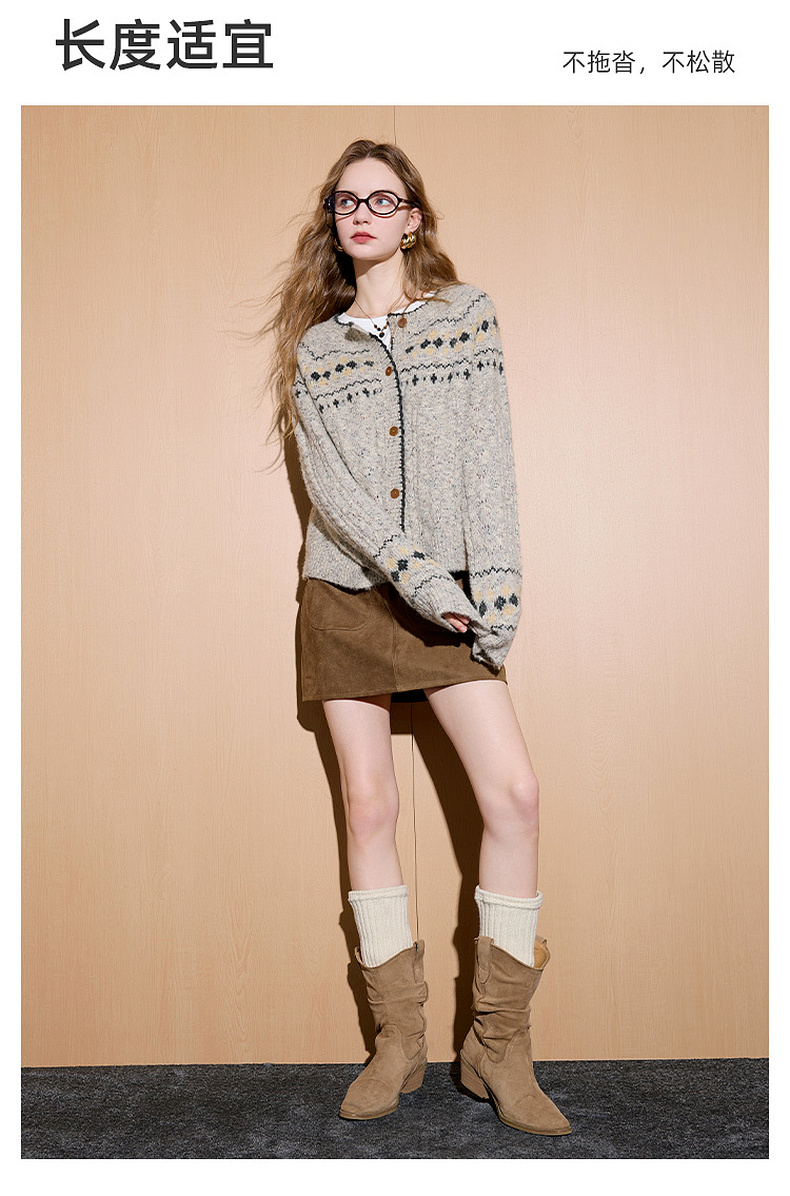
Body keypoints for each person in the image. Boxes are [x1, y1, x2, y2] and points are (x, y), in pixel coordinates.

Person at [266, 139, 570, 1136]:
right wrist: (422, 578)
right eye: (345, 200)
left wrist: (499, 587)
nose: (362, 212)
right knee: (369, 804)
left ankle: (498, 1042)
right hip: (351, 589)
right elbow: (337, 495)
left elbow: (489, 455)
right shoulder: (316, 349)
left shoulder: (465, 315)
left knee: (513, 795)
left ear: (412, 220)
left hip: (454, 595)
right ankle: (397, 1040)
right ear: (335, 221)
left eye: (381, 198)